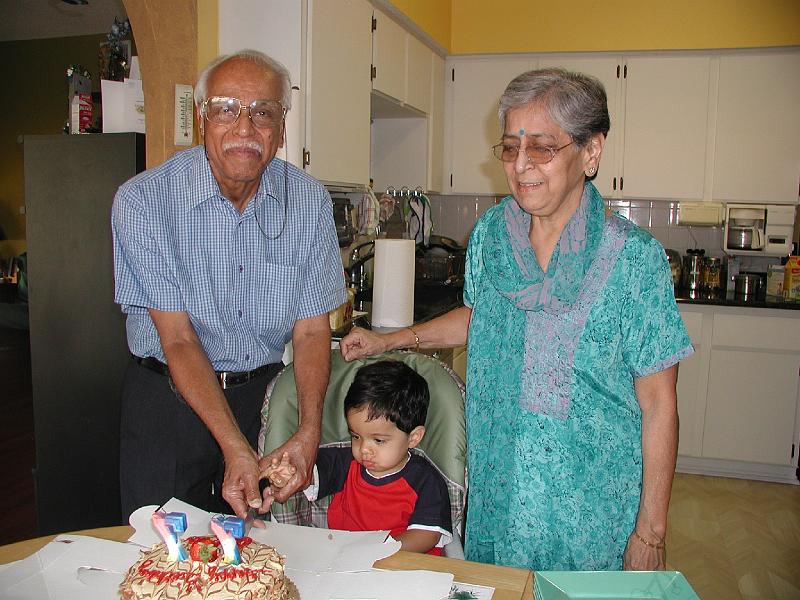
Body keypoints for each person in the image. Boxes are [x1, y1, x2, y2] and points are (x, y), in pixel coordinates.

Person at [340, 68, 693, 572]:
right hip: (500, 499)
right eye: (510, 148)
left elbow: (660, 404)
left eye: (542, 148)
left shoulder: (634, 261)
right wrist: (390, 340)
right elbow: (482, 319)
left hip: (593, 513)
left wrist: (651, 531)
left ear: (591, 152)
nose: (521, 166)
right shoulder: (490, 235)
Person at [111, 49, 346, 521]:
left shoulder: (310, 201)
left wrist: (306, 431)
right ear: (203, 119)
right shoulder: (143, 201)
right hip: (169, 405)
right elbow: (177, 338)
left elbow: (312, 332)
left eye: (263, 112)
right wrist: (233, 447)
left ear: (281, 129)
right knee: (166, 564)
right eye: (226, 109)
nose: (245, 129)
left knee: (258, 564)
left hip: (261, 403)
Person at [263, 360, 453, 555]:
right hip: (345, 562)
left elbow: (426, 535)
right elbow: (307, 473)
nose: (364, 450)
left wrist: (377, 551)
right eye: (356, 436)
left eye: (378, 441)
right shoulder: (347, 463)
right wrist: (287, 474)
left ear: (413, 438)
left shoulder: (425, 480)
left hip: (403, 567)